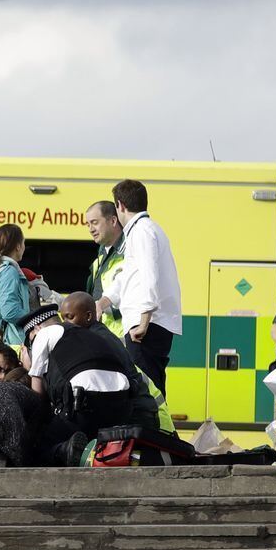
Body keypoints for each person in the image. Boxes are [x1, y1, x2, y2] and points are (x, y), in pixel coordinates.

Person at [22, 304, 159, 465]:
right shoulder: (93, 334)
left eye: (30, 340)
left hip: (84, 405)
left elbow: (37, 396)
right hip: (122, 408)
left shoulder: (44, 334)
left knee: (40, 446)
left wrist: (28, 368)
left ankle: (65, 451)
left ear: (36, 329)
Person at [96, 180, 182, 396]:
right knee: (150, 387)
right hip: (149, 323)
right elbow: (129, 275)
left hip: (146, 326)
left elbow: (148, 276)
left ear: (120, 205)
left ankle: (155, 429)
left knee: (147, 390)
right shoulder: (143, 230)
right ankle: (156, 429)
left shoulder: (142, 231)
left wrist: (143, 321)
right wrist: (104, 301)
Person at [60, 292, 174, 434]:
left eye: (70, 317)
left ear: (88, 316)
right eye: (63, 318)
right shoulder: (98, 334)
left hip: (138, 415)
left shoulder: (96, 341)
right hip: (141, 410)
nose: (65, 324)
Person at [85, 200, 126, 337]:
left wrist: (100, 306)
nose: (91, 229)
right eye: (88, 224)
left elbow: (128, 296)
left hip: (123, 336)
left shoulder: (129, 251)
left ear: (113, 221)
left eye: (95, 222)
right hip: (104, 335)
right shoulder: (102, 253)